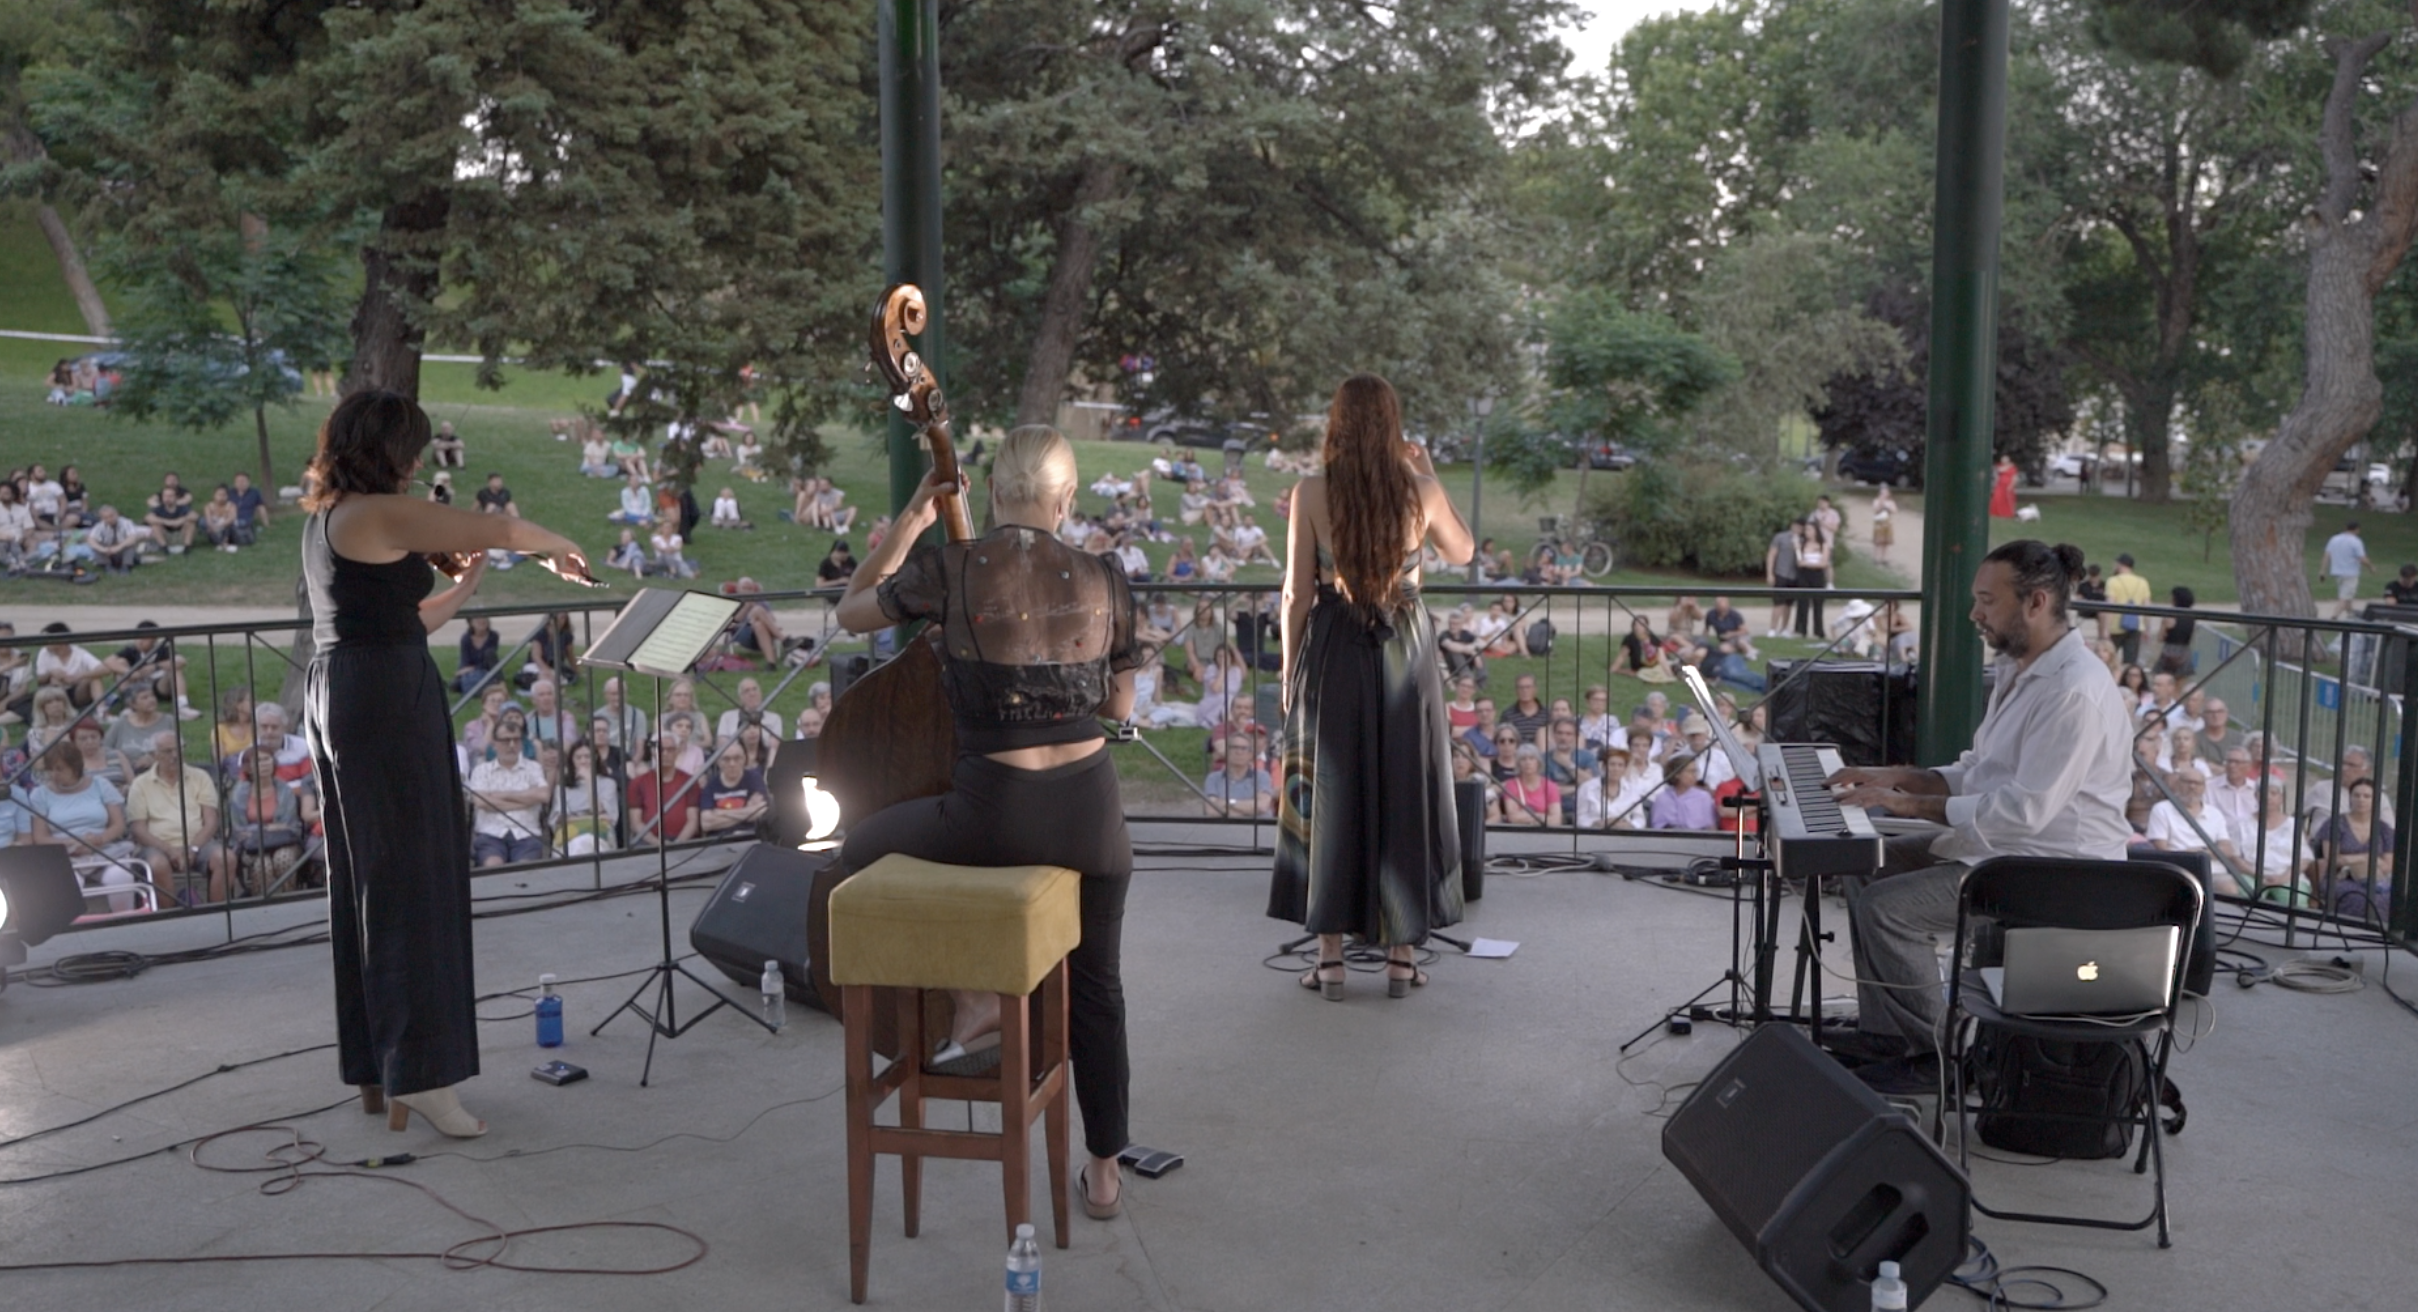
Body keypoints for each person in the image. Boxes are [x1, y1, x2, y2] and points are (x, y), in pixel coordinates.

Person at [831, 423, 1144, 1222]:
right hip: (1092, 816)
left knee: (858, 851)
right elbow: (1118, 706)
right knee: (1100, 990)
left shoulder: (952, 567)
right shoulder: (1107, 577)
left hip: (991, 815)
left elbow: (850, 614)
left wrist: (911, 521)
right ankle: (1104, 1174)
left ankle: (970, 1001)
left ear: (991, 493)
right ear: (1066, 499)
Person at [300, 388, 589, 1139]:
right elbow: (498, 523)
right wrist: (554, 544)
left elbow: (406, 619)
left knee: (371, 883)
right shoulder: (375, 512)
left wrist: (466, 584)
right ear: (390, 450)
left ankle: (379, 1065)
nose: (421, 460)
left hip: (351, 685)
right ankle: (424, 1076)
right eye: (413, 448)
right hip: (383, 697)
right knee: (413, 880)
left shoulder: (331, 518)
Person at [1828, 541, 2133, 1092]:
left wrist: (1908, 805)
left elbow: (2025, 812)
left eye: (1987, 601)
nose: (1975, 614)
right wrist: (1894, 776)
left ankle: (1940, 1059)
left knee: (1888, 910)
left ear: (2036, 602)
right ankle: (1889, 1034)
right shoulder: (2023, 668)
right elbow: (1981, 772)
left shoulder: (2074, 691)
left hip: (2058, 869)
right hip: (2009, 849)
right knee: (1863, 861)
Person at [1267, 372, 1474, 1001]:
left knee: (1328, 788)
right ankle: (1401, 959)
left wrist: (1288, 668)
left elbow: (1297, 594)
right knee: (1405, 785)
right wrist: (1430, 470)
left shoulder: (1311, 492)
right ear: (1392, 426)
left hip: (1333, 647)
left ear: (1337, 425)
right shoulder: (1423, 492)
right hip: (1403, 651)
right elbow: (1462, 553)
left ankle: (1329, 959)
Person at [25, 740, 144, 912]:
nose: (53, 775)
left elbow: (118, 825)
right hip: (64, 855)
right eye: (50, 769)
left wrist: (99, 839)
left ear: (75, 767)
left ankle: (125, 921)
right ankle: (75, 931)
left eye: (59, 769)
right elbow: (40, 837)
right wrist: (73, 844)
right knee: (71, 883)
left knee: (120, 875)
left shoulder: (100, 785)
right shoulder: (40, 795)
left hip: (103, 848)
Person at [127, 729, 227, 906]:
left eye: (179, 749)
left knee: (225, 857)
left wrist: (193, 848)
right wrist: (169, 850)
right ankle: (171, 918)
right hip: (157, 845)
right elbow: (138, 829)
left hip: (199, 843)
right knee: (157, 864)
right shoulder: (140, 784)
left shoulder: (200, 777)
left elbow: (211, 821)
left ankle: (217, 912)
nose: (175, 755)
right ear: (154, 755)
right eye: (168, 751)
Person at [2317, 777, 2394, 921]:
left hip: (2376, 880)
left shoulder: (2384, 829)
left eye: (2367, 796)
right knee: (2361, 898)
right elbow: (2333, 859)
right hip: (2340, 878)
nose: (2361, 800)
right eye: (2356, 795)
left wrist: (2350, 859)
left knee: (2389, 897)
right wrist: (2366, 858)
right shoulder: (2335, 824)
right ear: (2350, 798)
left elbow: (2388, 865)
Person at [687, 742, 768, 839]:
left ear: (744, 759)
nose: (732, 763)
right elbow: (706, 824)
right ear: (718, 762)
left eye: (737, 758)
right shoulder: (711, 785)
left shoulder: (754, 779)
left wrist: (721, 812)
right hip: (718, 842)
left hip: (750, 838)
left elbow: (761, 811)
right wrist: (748, 812)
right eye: (726, 759)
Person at [1200, 735, 1275, 817]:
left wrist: (1228, 803)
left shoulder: (1262, 776)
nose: (1239, 752)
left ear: (1251, 754)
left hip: (1258, 829)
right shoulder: (1213, 778)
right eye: (1234, 747)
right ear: (1227, 752)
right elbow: (1211, 811)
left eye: (1244, 748)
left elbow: (1261, 806)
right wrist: (1250, 811)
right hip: (1225, 828)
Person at [2103, 553, 2152, 665]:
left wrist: (2105, 629)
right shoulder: (2142, 582)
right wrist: (2147, 628)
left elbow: (2110, 606)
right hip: (2136, 626)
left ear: (2120, 565)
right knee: (2130, 661)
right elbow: (2147, 607)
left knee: (2109, 661)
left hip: (2115, 626)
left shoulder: (2113, 581)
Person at [1497, 744, 1561, 826]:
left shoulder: (1551, 786)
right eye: (1523, 759)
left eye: (1532, 758)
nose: (1528, 762)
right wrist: (1542, 817)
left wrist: (1529, 817)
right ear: (1518, 764)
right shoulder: (1511, 785)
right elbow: (1513, 817)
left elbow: (1556, 819)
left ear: (1538, 762)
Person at [1649, 752, 1716, 830]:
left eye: (1695, 771)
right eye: (1690, 771)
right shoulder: (1662, 798)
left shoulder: (1704, 797)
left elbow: (1710, 827)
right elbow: (1657, 827)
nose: (1694, 775)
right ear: (1677, 774)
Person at [2322, 520, 2369, 620]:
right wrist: (2371, 567)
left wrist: (2323, 570)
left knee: (2347, 595)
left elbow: (2327, 555)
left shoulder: (2334, 539)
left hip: (2337, 572)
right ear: (2357, 529)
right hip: (2350, 573)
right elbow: (2362, 558)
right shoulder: (2356, 541)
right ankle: (2334, 616)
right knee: (2344, 597)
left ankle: (2351, 613)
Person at [1792, 518, 1831, 638]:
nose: (1807, 532)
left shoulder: (1823, 545)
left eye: (1809, 529)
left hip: (1817, 575)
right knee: (1802, 602)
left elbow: (1824, 563)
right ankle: (1801, 629)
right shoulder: (1803, 544)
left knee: (1818, 604)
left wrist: (1808, 564)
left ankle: (1818, 631)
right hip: (1804, 575)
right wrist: (1797, 549)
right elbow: (1799, 561)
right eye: (1806, 530)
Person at [145, 474, 198, 554]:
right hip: (166, 535)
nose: (168, 498)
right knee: (155, 525)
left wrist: (180, 521)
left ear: (176, 497)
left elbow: (195, 516)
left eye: (170, 496)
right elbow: (148, 518)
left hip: (180, 534)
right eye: (165, 496)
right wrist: (166, 522)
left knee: (190, 524)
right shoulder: (159, 508)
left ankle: (187, 548)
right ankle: (164, 548)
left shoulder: (181, 507)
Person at [1764, 521, 1799, 637]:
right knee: (1778, 603)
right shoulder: (1780, 537)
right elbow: (1772, 554)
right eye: (1796, 526)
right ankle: (1772, 628)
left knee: (1788, 604)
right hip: (1781, 573)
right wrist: (1770, 573)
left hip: (1794, 575)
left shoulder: (1803, 540)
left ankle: (1784, 628)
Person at [2154, 585, 2197, 677]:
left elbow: (2160, 638)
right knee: (2180, 685)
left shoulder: (2170, 617)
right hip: (2185, 652)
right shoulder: (2192, 617)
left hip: (2169, 651)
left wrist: (2163, 625)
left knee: (2164, 680)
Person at [1869, 484, 1896, 563]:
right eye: (1882, 493)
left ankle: (1884, 558)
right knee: (1878, 542)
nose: (1884, 495)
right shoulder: (1876, 501)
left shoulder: (1891, 502)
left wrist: (1887, 507)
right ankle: (1876, 558)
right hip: (1879, 523)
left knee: (1886, 542)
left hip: (1887, 523)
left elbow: (1894, 510)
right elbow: (1875, 510)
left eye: (1886, 493)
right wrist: (1881, 504)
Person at [1988, 454, 2019, 518]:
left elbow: (2015, 478)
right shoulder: (1999, 466)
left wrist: (2011, 486)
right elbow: (1999, 472)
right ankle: (1996, 512)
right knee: (1997, 498)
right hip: (2000, 485)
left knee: (2006, 499)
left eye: (2005, 459)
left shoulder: (2013, 468)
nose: (2004, 461)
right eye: (2003, 459)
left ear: (2008, 460)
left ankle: (2007, 513)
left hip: (2008, 486)